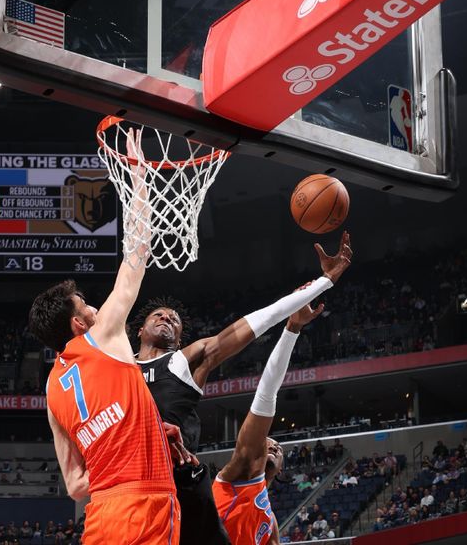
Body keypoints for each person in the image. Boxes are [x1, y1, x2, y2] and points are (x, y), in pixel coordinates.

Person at [134, 232, 352, 544]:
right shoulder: (120, 367)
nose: (167, 318)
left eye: (174, 319)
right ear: (140, 329)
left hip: (175, 483)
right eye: (159, 315)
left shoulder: (182, 362)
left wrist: (324, 282)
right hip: (129, 483)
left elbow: (255, 323)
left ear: (181, 339)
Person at [31, 133, 188, 545]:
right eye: (88, 309)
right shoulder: (102, 334)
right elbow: (137, 254)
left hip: (101, 516)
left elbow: (76, 485)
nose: (98, 310)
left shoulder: (51, 389)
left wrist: (142, 433)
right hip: (147, 504)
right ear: (79, 325)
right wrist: (139, 181)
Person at [212, 302, 327, 544]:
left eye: (280, 449)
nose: (275, 447)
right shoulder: (241, 472)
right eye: (270, 443)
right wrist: (292, 328)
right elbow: (266, 394)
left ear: (283, 467)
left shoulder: (270, 520)